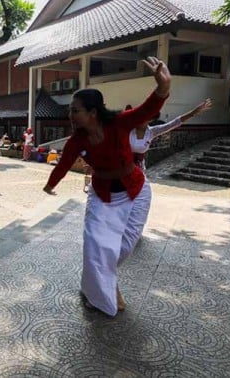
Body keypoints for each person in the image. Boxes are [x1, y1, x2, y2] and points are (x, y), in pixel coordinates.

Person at [43, 56, 171, 317]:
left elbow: (147, 110)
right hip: (101, 194)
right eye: (70, 111)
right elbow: (64, 163)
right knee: (94, 245)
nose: (70, 115)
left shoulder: (119, 122)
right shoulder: (78, 139)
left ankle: (105, 281)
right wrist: (50, 185)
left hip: (135, 190)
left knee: (123, 246)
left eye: (75, 110)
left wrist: (163, 87)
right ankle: (101, 292)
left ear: (92, 112)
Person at [128, 98, 212, 171]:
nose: (140, 120)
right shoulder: (128, 130)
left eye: (144, 117)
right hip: (123, 167)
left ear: (150, 119)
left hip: (139, 168)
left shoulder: (151, 131)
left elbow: (174, 123)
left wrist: (193, 113)